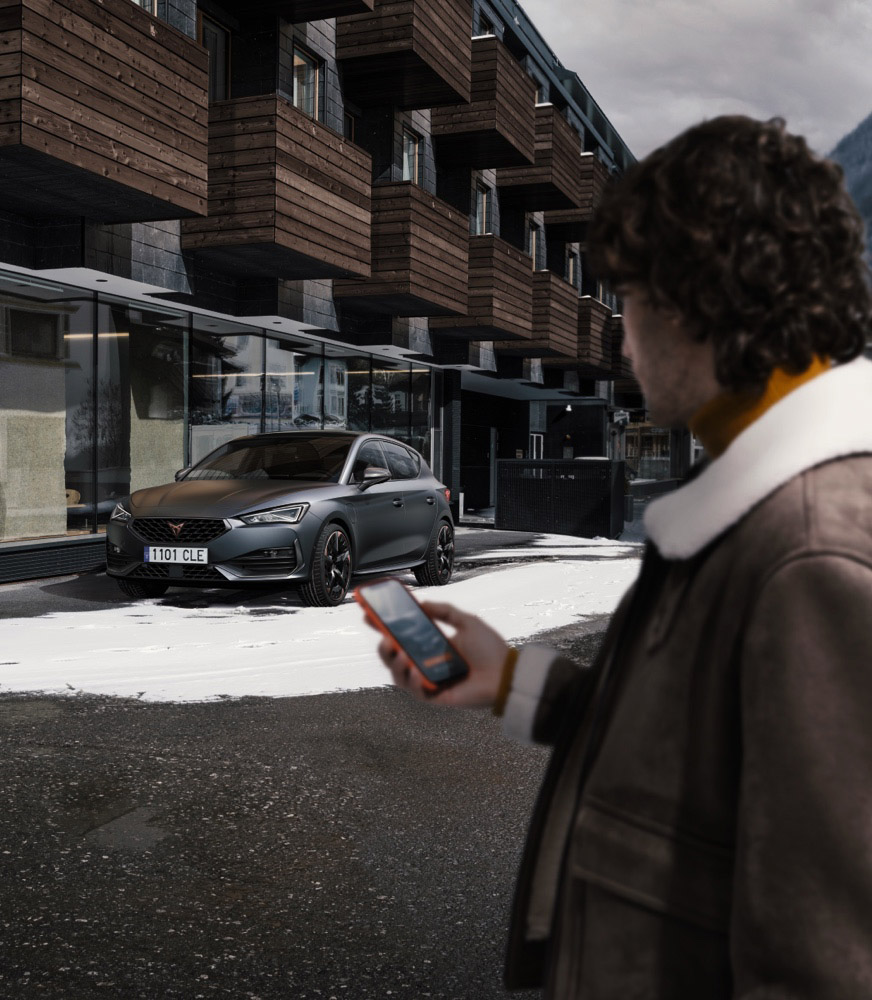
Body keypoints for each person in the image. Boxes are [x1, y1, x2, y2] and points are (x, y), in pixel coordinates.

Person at [368, 115, 872, 998]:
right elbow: (681, 750)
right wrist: (507, 680)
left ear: (697, 300)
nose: (622, 338)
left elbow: (823, 963)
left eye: (629, 299)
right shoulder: (757, 513)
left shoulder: (810, 556)